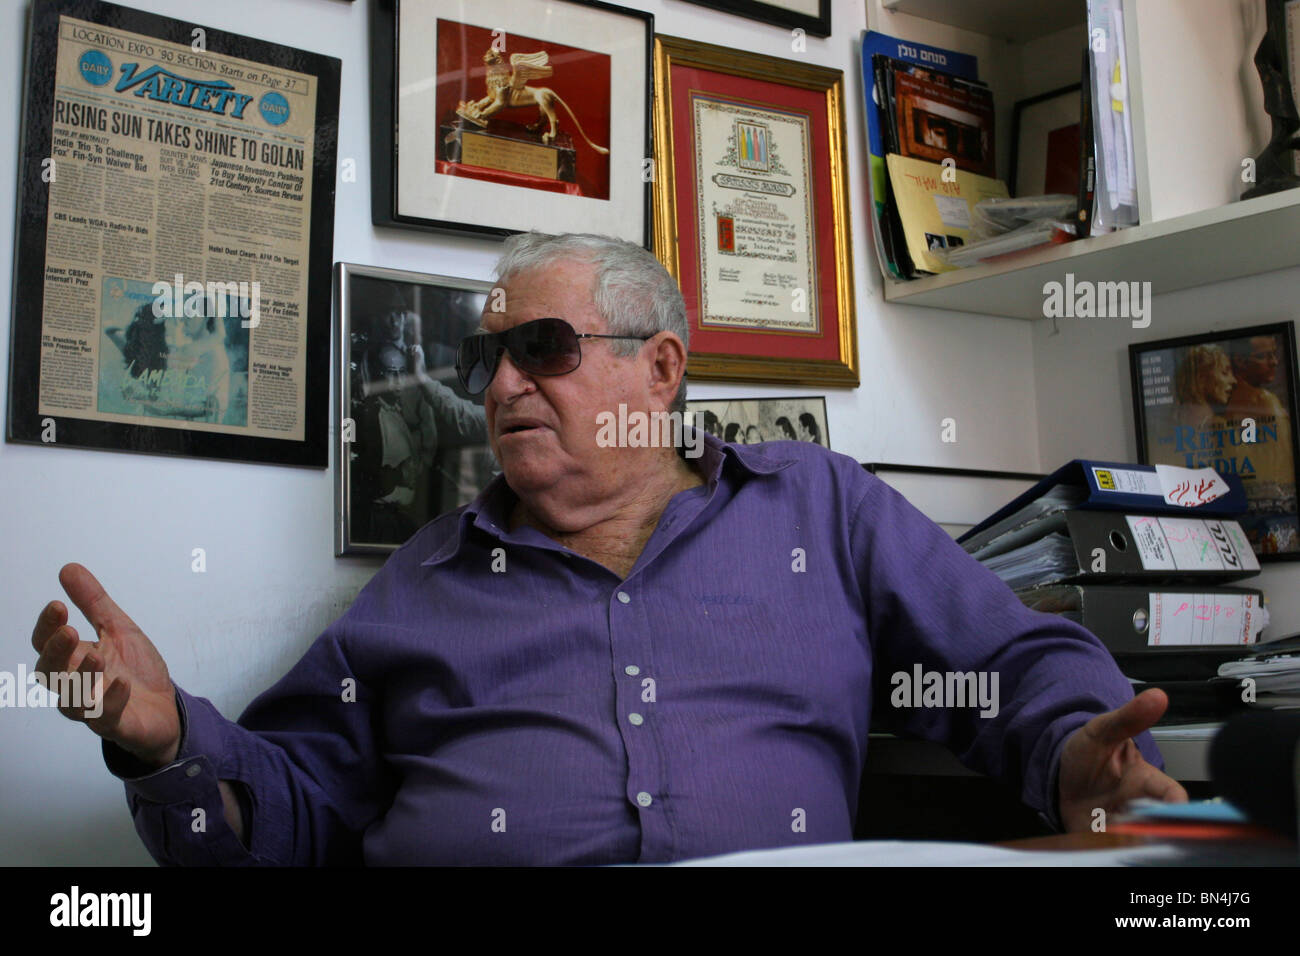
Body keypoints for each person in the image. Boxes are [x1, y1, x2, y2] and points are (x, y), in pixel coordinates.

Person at [32, 232, 1184, 866]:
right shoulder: (424, 580)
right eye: (489, 359)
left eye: (541, 347)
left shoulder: (815, 510)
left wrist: (1075, 752)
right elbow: (288, 813)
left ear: (662, 369)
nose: (499, 385)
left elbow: (1005, 655)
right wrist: (166, 737)